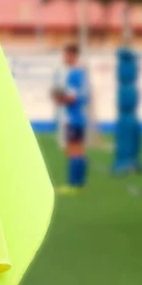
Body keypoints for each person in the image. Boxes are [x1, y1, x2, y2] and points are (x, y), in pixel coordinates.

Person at [52, 43, 89, 194]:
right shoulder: (81, 73)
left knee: (73, 150)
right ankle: (80, 183)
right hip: (79, 117)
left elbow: (71, 98)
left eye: (66, 55)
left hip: (73, 118)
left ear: (73, 55)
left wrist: (59, 98)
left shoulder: (73, 74)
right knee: (78, 150)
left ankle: (73, 184)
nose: (64, 58)